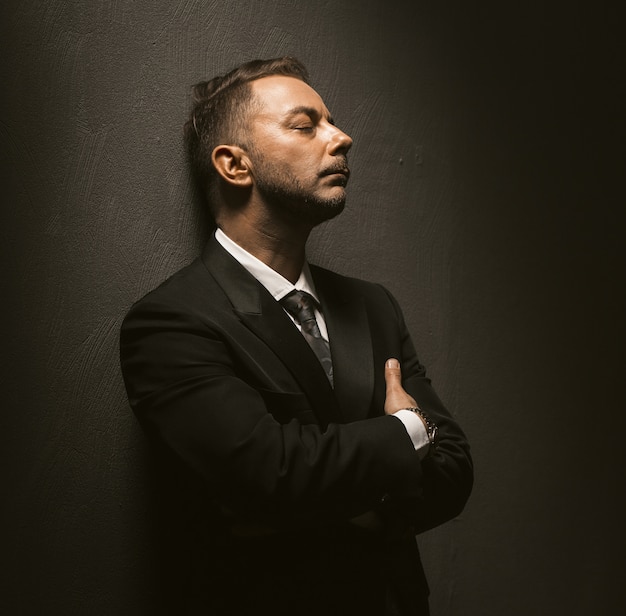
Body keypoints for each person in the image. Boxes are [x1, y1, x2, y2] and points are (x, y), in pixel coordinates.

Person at [120, 57, 472, 616]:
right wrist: (408, 428)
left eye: (331, 122)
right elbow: (269, 475)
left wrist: (311, 501)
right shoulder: (172, 322)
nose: (342, 138)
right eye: (306, 125)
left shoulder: (372, 305)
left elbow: (453, 470)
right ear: (235, 165)